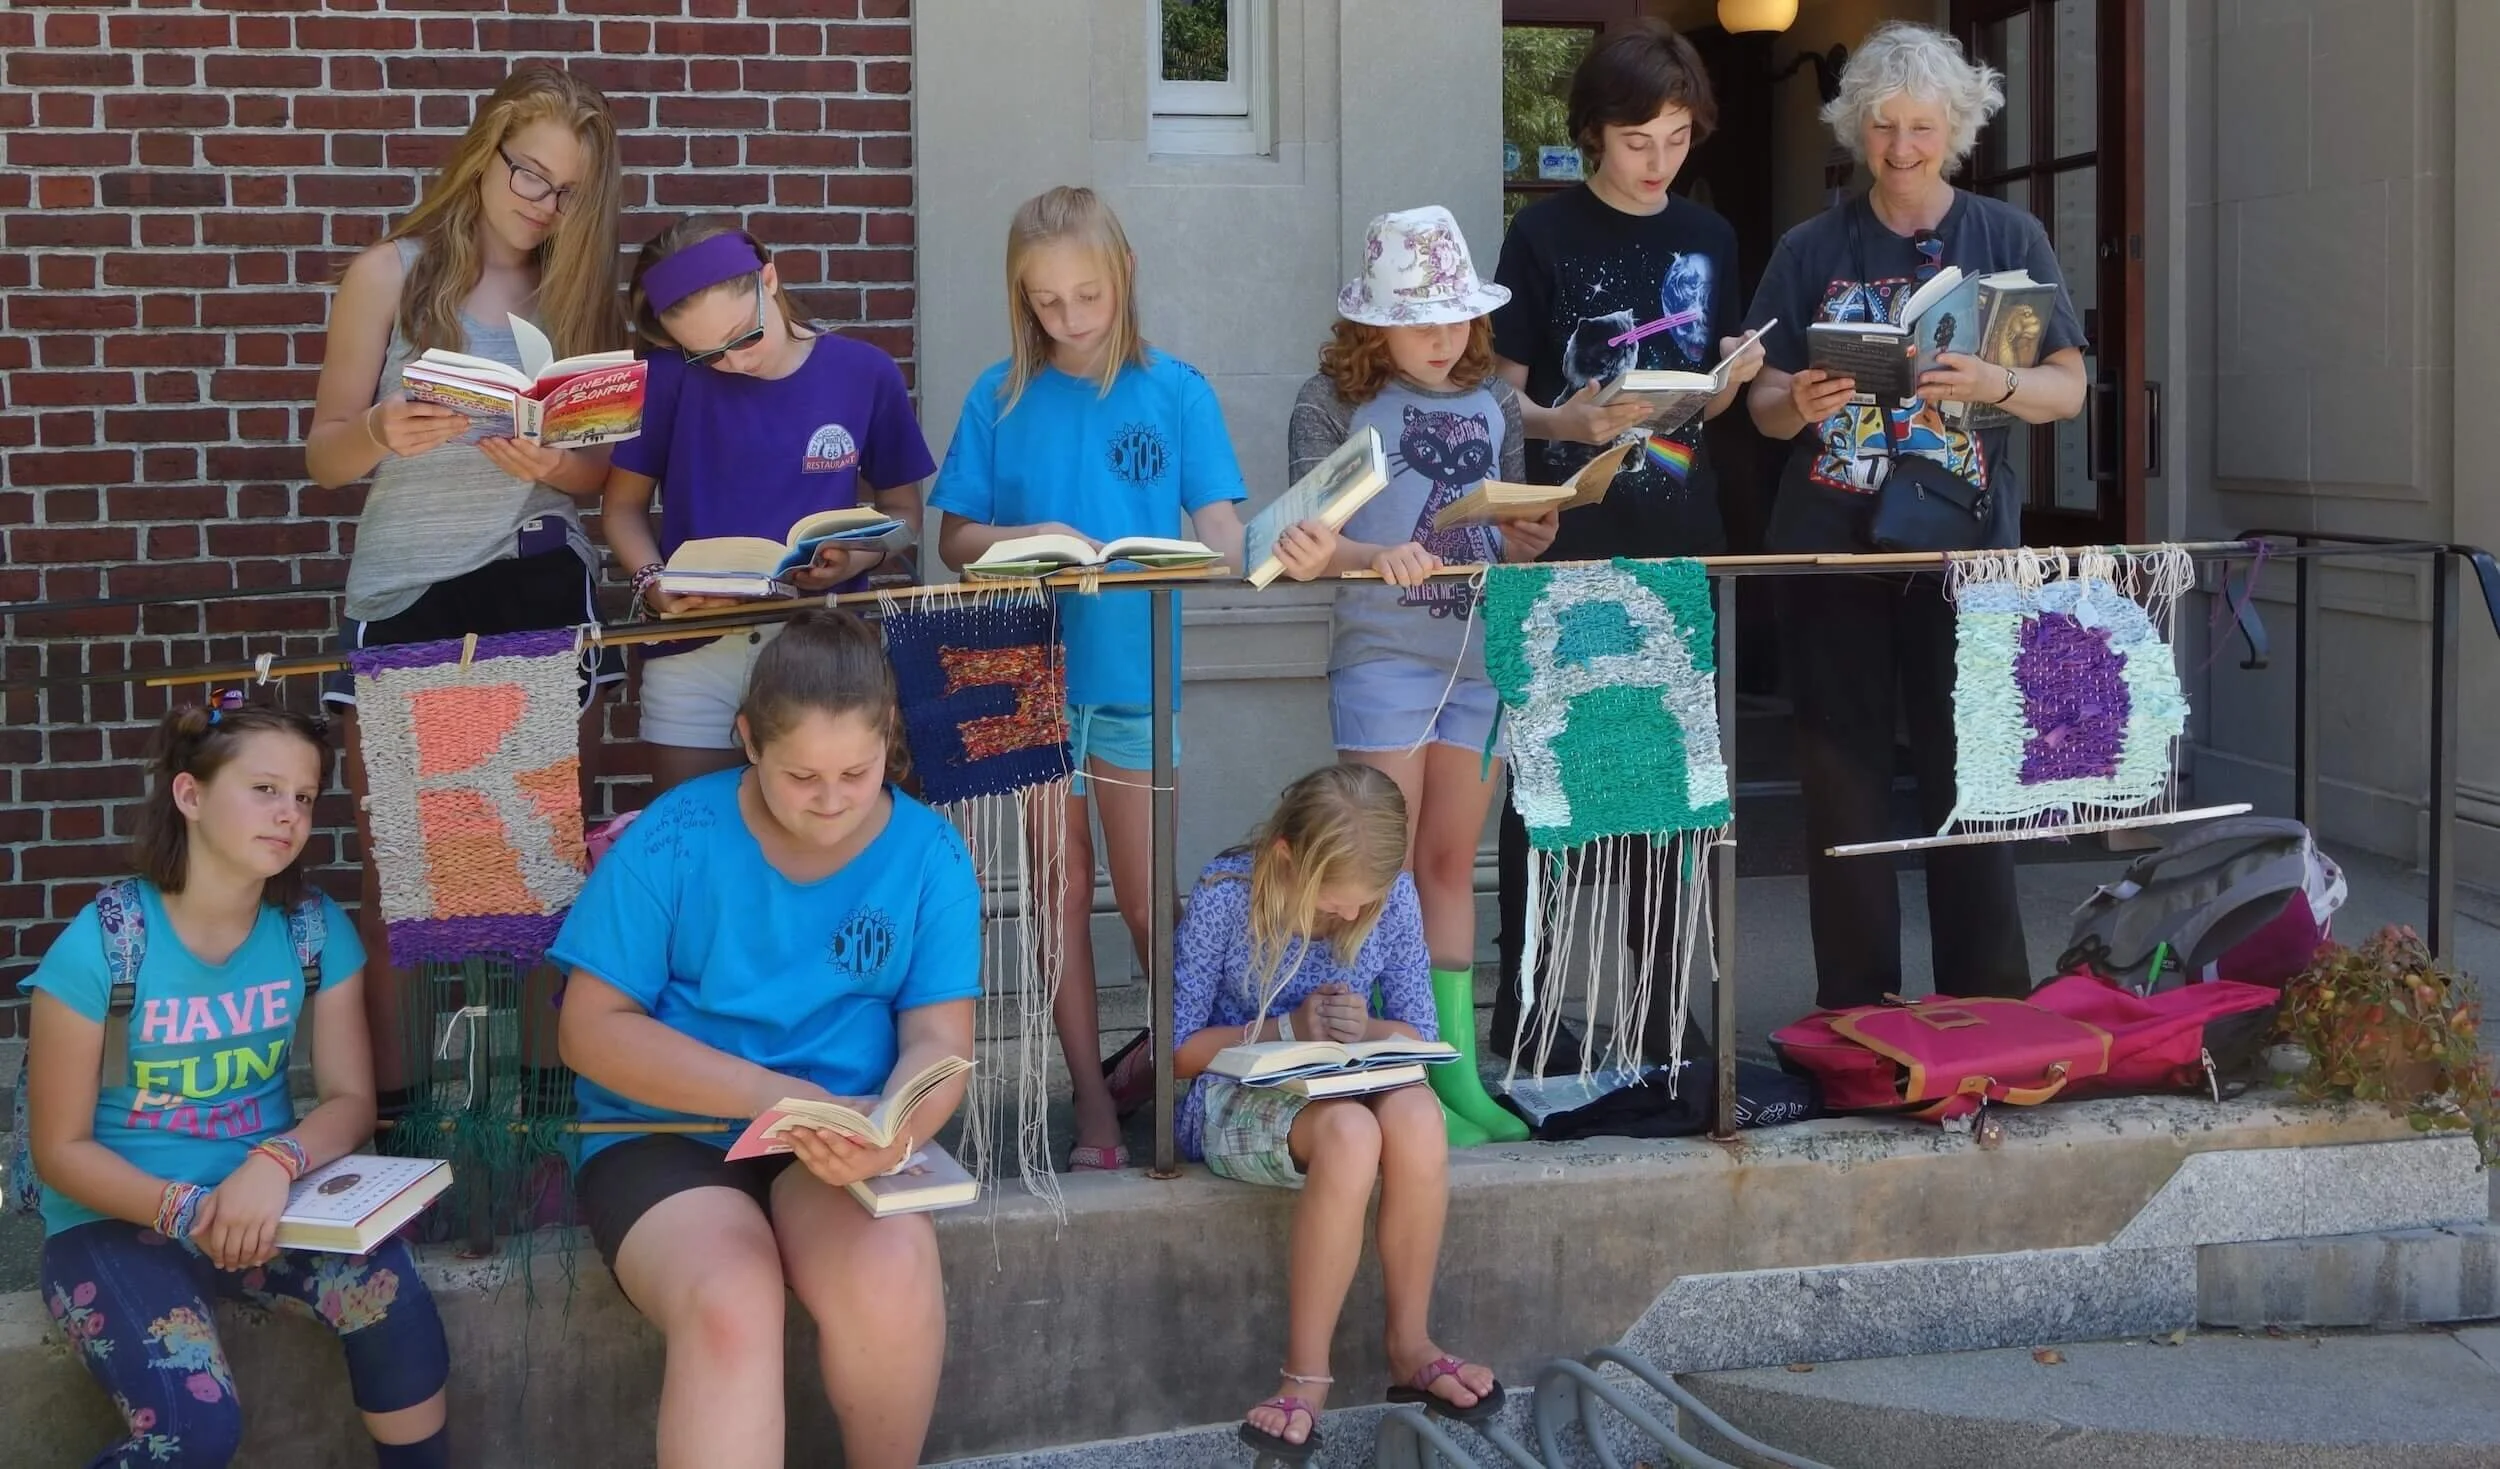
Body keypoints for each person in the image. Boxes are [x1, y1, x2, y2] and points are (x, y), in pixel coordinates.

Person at [553, 610, 977, 1469]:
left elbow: (939, 1039)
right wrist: (770, 1097)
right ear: (748, 740)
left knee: (895, 1263)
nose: (830, 800)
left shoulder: (931, 851)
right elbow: (589, 1031)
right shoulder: (673, 836)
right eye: (802, 775)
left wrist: (895, 1128)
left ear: (887, 737)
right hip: (662, 1133)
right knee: (732, 1297)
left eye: (856, 773)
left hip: (840, 1130)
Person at [1741, 21, 2087, 1008]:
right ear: (1857, 127)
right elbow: (1761, 403)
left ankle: (1985, 1013)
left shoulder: (2005, 236)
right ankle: (1856, 1018)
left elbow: (2069, 386)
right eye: (1884, 126)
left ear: (1957, 127)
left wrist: (1996, 380)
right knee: (1841, 789)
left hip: (1963, 548)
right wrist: (1792, 402)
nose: (1901, 148)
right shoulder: (1813, 244)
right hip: (1828, 550)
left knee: (1969, 782)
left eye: (1922, 128)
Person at [302, 64, 626, 1108]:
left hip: (531, 576)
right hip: (406, 587)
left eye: (565, 189)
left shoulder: (573, 297)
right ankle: (398, 1118)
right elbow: (322, 457)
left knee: (533, 868)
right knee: (404, 869)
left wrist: (554, 465)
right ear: (484, 156)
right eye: (526, 171)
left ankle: (526, 1121)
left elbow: (595, 472)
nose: (539, 201)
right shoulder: (387, 273)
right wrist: (382, 431)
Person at [22, 697, 451, 1467]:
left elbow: (352, 1099)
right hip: (116, 1220)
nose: (289, 813)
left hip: (271, 1203)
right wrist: (190, 1207)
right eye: (264, 789)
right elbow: (59, 1149)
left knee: (394, 1299)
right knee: (196, 1429)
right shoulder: (102, 948)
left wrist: (274, 1161)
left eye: (305, 796)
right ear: (189, 796)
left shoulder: (313, 931)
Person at [929, 185, 1249, 1170]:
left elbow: (1226, 542)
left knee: (1152, 901)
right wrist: (1032, 538)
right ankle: (1094, 1108)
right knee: (1059, 895)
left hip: (1136, 677)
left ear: (1125, 279)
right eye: (1046, 302)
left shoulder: (1178, 390)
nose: (1068, 319)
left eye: (1087, 296)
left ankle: (1197, 1085)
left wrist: (1153, 556)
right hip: (1024, 677)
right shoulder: (999, 395)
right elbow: (953, 538)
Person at [1488, 20, 1761, 1072]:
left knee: (1668, 784)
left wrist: (1730, 380)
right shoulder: (1544, 236)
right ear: (1593, 131)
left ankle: (1657, 1010)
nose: (1659, 162)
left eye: (1678, 138)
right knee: (1544, 786)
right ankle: (1530, 1005)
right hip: (1559, 534)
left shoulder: (1710, 235)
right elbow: (1501, 398)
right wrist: (1574, 423)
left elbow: (1709, 391)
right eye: (1639, 139)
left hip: (1677, 539)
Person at [1272, 206, 1552, 1145]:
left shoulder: (1498, 402)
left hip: (1478, 665)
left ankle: (1458, 1074)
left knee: (1446, 866)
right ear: (1373, 323)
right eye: (1420, 319)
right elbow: (1295, 541)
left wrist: (1530, 532)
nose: (1444, 337)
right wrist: (1368, 555)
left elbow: (1509, 522)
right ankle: (1394, 1077)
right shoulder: (1330, 401)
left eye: (1458, 317)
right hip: (1385, 661)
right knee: (1376, 870)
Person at [1170, 765, 1506, 1462]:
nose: (1350, 917)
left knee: (1417, 1117)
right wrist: (1288, 1029)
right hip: (1238, 1092)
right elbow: (1181, 1051)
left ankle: (1410, 1344)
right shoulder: (1226, 895)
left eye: (1366, 902)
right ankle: (1305, 1375)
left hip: (1345, 1076)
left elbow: (1419, 1031)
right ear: (1289, 856)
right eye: (1336, 900)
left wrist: (1369, 1027)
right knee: (1353, 1134)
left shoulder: (1395, 895)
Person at [602, 216, 936, 792]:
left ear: (770, 280)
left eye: (744, 336)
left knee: (825, 848)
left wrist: (857, 557)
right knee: (698, 851)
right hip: (694, 657)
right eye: (706, 354)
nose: (734, 361)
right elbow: (621, 510)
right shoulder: (666, 380)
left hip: (825, 653)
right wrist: (654, 583)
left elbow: (904, 515)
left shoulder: (864, 374)